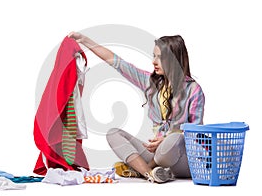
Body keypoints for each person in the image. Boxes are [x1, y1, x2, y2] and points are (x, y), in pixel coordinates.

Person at [68, 32, 205, 183]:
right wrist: (85, 40)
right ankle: (151, 174)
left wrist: (165, 140)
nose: (154, 61)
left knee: (173, 139)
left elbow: (197, 133)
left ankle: (141, 168)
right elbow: (117, 62)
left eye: (160, 57)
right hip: (156, 153)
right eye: (154, 56)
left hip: (180, 158)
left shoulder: (193, 90)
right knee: (113, 134)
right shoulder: (151, 83)